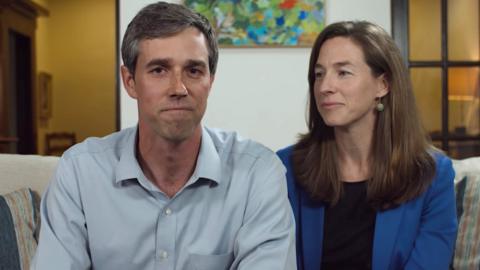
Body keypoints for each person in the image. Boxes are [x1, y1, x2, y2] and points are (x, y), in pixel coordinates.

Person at [32, 2, 296, 269]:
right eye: (159, 70)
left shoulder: (258, 174)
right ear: (130, 81)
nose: (178, 88)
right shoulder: (79, 173)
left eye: (194, 71)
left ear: (210, 81)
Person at [277, 21, 457, 270]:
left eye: (343, 72)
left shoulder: (433, 175)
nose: (325, 87)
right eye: (319, 74)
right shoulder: (286, 169)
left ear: (383, 85)